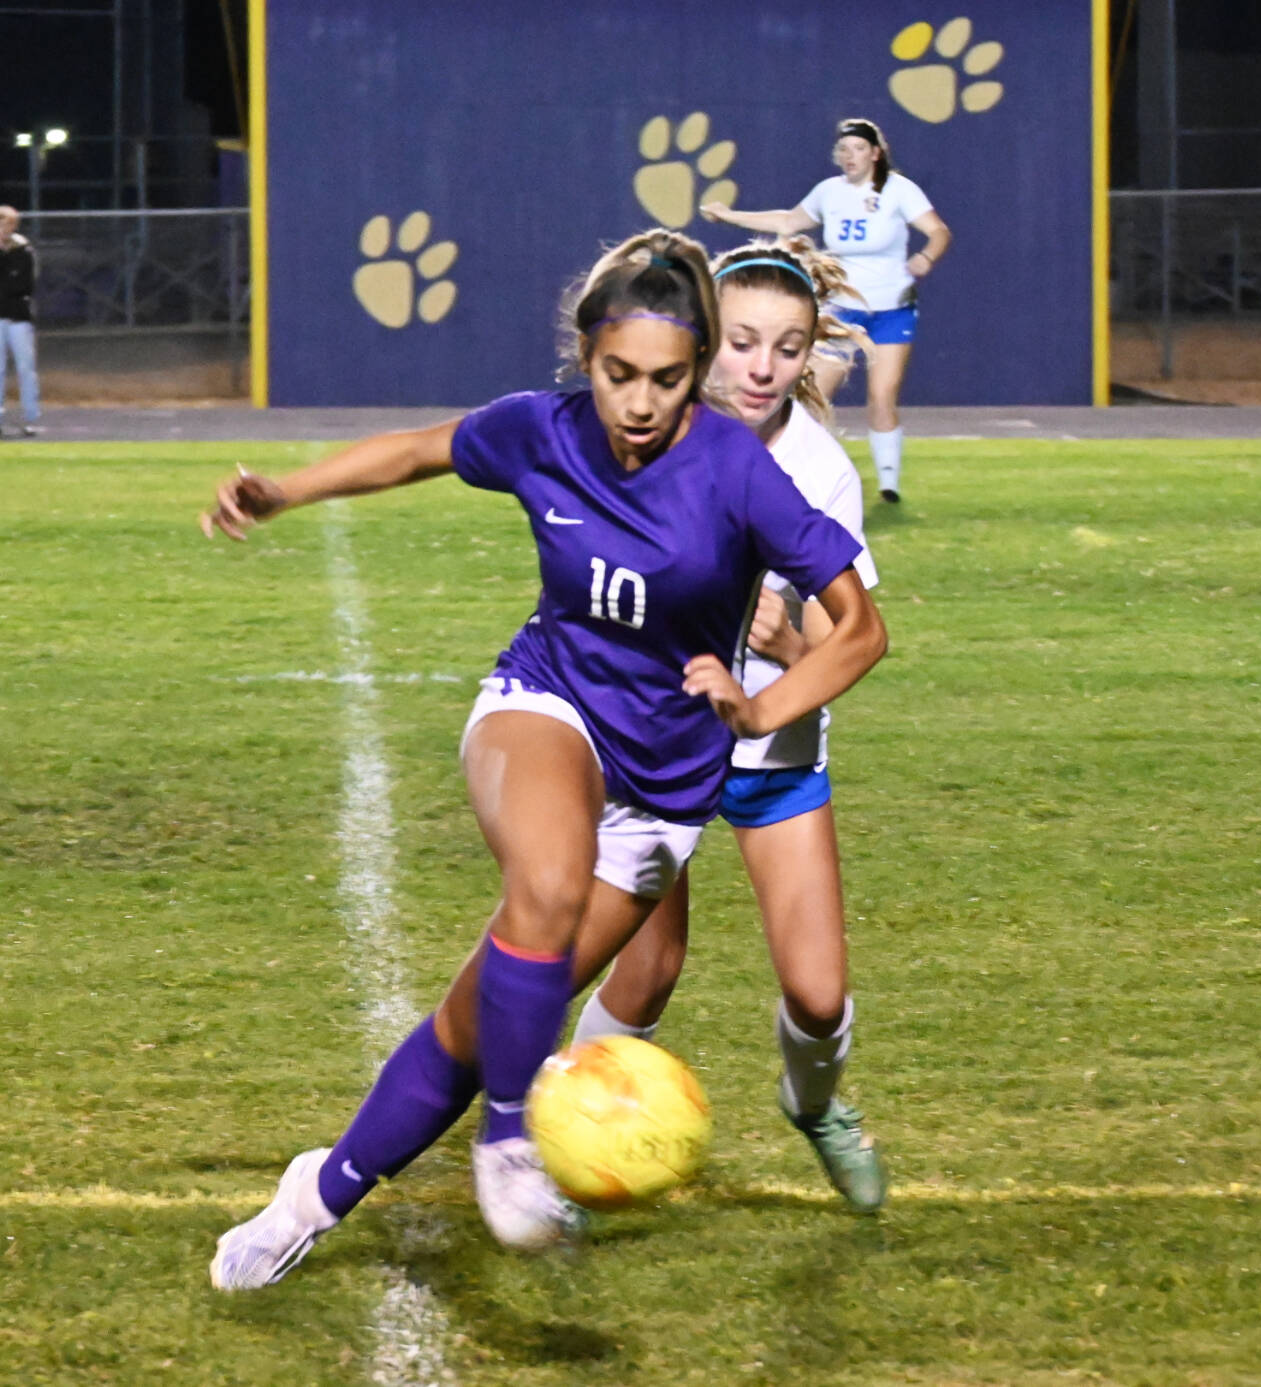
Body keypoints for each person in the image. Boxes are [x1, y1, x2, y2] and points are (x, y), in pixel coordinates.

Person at [201, 228, 888, 1289]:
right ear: (584, 356)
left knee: (477, 1024)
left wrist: (758, 712)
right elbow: (417, 450)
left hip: (665, 787)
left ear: (693, 367)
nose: (642, 401)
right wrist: (285, 490)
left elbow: (859, 628)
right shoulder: (539, 431)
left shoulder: (737, 472)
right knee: (547, 881)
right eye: (619, 375)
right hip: (544, 702)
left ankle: (312, 1196)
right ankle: (512, 1141)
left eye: (666, 378)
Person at [571, 237, 887, 1212]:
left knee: (819, 996)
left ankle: (814, 1103)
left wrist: (787, 647)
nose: (762, 367)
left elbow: (852, 645)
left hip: (770, 757)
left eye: (787, 349)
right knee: (643, 963)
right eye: (742, 342)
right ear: (705, 343)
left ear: (806, 356)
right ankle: (563, 1141)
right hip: (650, 753)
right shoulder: (644, 431)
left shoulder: (819, 472)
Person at [703, 116, 951, 503]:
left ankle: (889, 486)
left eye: (857, 149)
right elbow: (788, 221)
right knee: (808, 397)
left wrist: (926, 257)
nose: (849, 156)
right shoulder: (829, 192)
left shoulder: (900, 191)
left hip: (892, 310)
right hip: (842, 312)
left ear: (876, 153)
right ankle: (781, 475)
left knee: (883, 397)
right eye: (843, 150)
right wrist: (730, 215)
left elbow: (938, 231)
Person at [0, 205, 42, 439]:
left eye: (7, 225)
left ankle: (30, 417)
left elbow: (24, 285)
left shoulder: (23, 251)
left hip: (18, 316)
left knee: (26, 368)